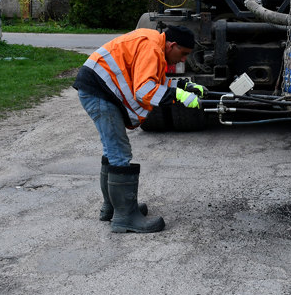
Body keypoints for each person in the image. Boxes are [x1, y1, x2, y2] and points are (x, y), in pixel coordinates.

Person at [73, 25, 207, 233]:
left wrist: (182, 86)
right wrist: (178, 97)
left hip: (97, 88)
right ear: (172, 45)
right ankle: (125, 217)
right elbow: (144, 91)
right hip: (99, 92)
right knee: (119, 151)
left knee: (112, 150)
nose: (183, 60)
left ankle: (113, 208)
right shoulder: (152, 47)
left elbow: (151, 80)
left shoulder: (153, 43)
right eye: (183, 54)